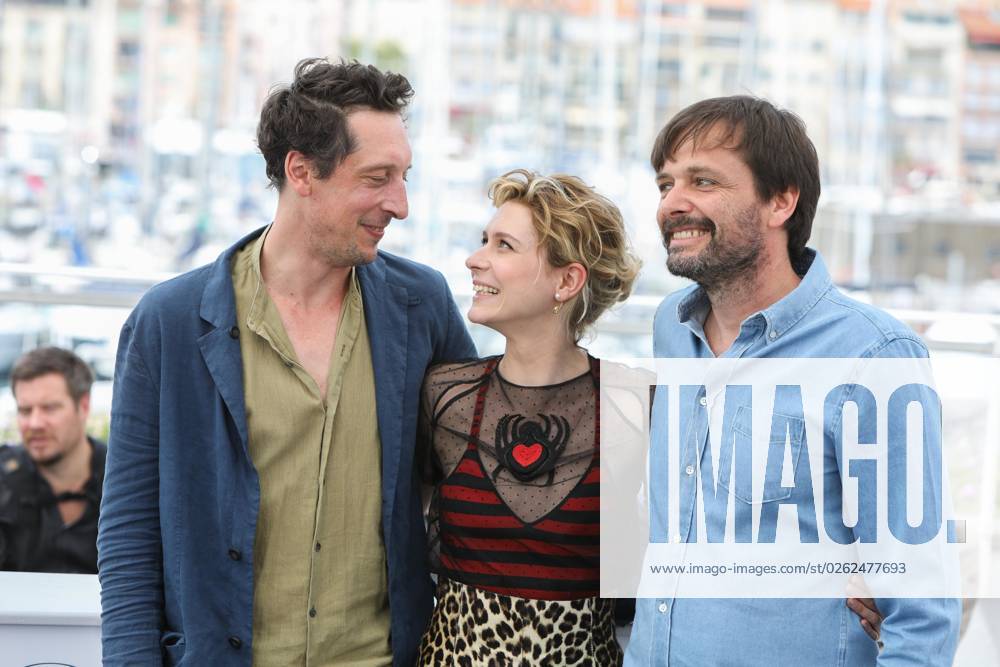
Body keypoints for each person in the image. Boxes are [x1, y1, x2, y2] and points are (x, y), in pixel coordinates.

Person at [97, 58, 476, 665]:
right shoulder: (168, 321)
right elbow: (128, 534)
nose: (400, 204)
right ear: (301, 171)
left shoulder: (421, 305)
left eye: (404, 177)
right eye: (377, 178)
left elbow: (475, 478)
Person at [625, 96, 961, 665]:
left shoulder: (873, 355)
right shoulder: (671, 328)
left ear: (781, 201)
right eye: (665, 185)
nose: (672, 204)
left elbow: (922, 618)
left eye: (703, 181)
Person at [416, 169, 641, 665]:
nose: (476, 260)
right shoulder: (446, 396)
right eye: (483, 242)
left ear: (567, 280)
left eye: (504, 246)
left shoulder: (636, 403)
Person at [0, 346, 105, 574]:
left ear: (84, 406)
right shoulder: (3, 480)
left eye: (50, 408)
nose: (35, 423)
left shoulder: (126, 480)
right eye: (25, 410)